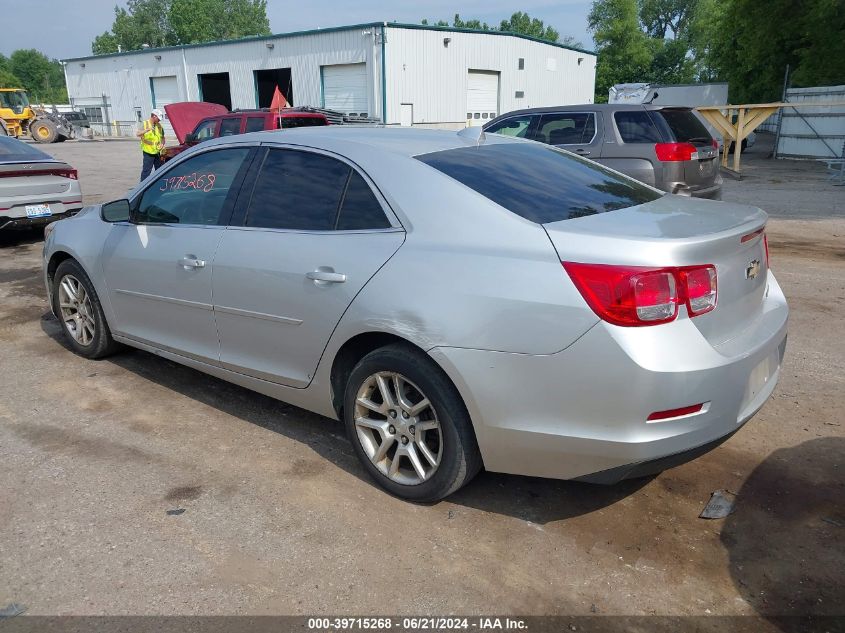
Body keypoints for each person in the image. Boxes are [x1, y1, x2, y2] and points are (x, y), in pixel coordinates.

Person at [137, 109, 166, 181]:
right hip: (148, 152)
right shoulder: (145, 124)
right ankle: (142, 188)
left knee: (159, 170)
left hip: (157, 152)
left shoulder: (159, 126)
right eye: (158, 119)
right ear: (154, 116)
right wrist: (146, 130)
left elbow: (163, 138)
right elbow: (137, 134)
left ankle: (158, 185)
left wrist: (162, 144)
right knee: (146, 171)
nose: (159, 120)